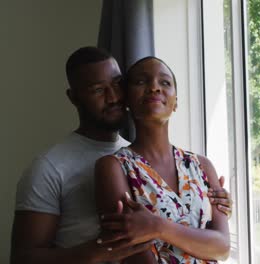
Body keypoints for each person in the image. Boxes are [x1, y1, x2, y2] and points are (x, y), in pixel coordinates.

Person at [11, 47, 232, 263]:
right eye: (98, 89)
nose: (113, 96)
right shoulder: (53, 167)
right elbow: (23, 258)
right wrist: (100, 252)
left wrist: (208, 207)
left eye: (117, 85)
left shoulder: (191, 164)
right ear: (74, 97)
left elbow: (222, 247)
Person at [94, 56, 230, 263]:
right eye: (141, 82)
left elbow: (222, 247)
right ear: (127, 100)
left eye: (165, 82)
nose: (154, 88)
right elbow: (134, 256)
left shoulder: (202, 165)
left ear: (176, 102)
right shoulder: (114, 167)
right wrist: (204, 242)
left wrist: (158, 227)